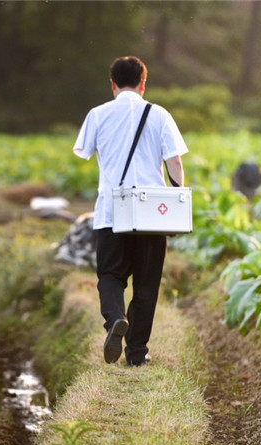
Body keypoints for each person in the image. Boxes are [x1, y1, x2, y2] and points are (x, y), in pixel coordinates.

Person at [73, 56, 187, 366]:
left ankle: (114, 321)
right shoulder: (160, 114)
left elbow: (84, 152)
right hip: (152, 210)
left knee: (110, 275)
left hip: (112, 209)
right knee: (147, 284)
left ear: (112, 84)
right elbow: (174, 162)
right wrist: (176, 200)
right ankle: (137, 353)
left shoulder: (97, 115)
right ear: (143, 83)